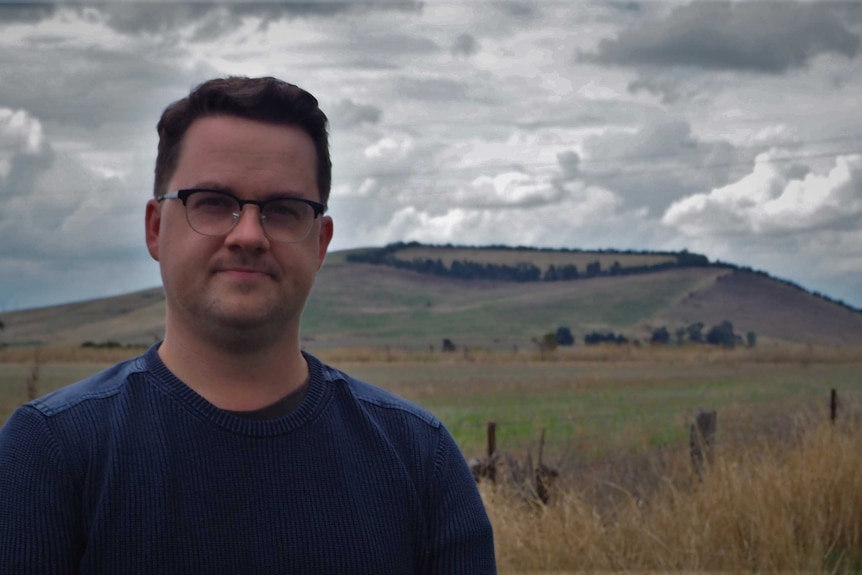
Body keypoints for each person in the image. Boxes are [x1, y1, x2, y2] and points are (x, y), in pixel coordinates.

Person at [0, 77, 497, 574]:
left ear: (321, 242)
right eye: (213, 202)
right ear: (155, 229)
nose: (248, 235)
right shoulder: (49, 452)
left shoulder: (419, 458)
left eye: (283, 210)